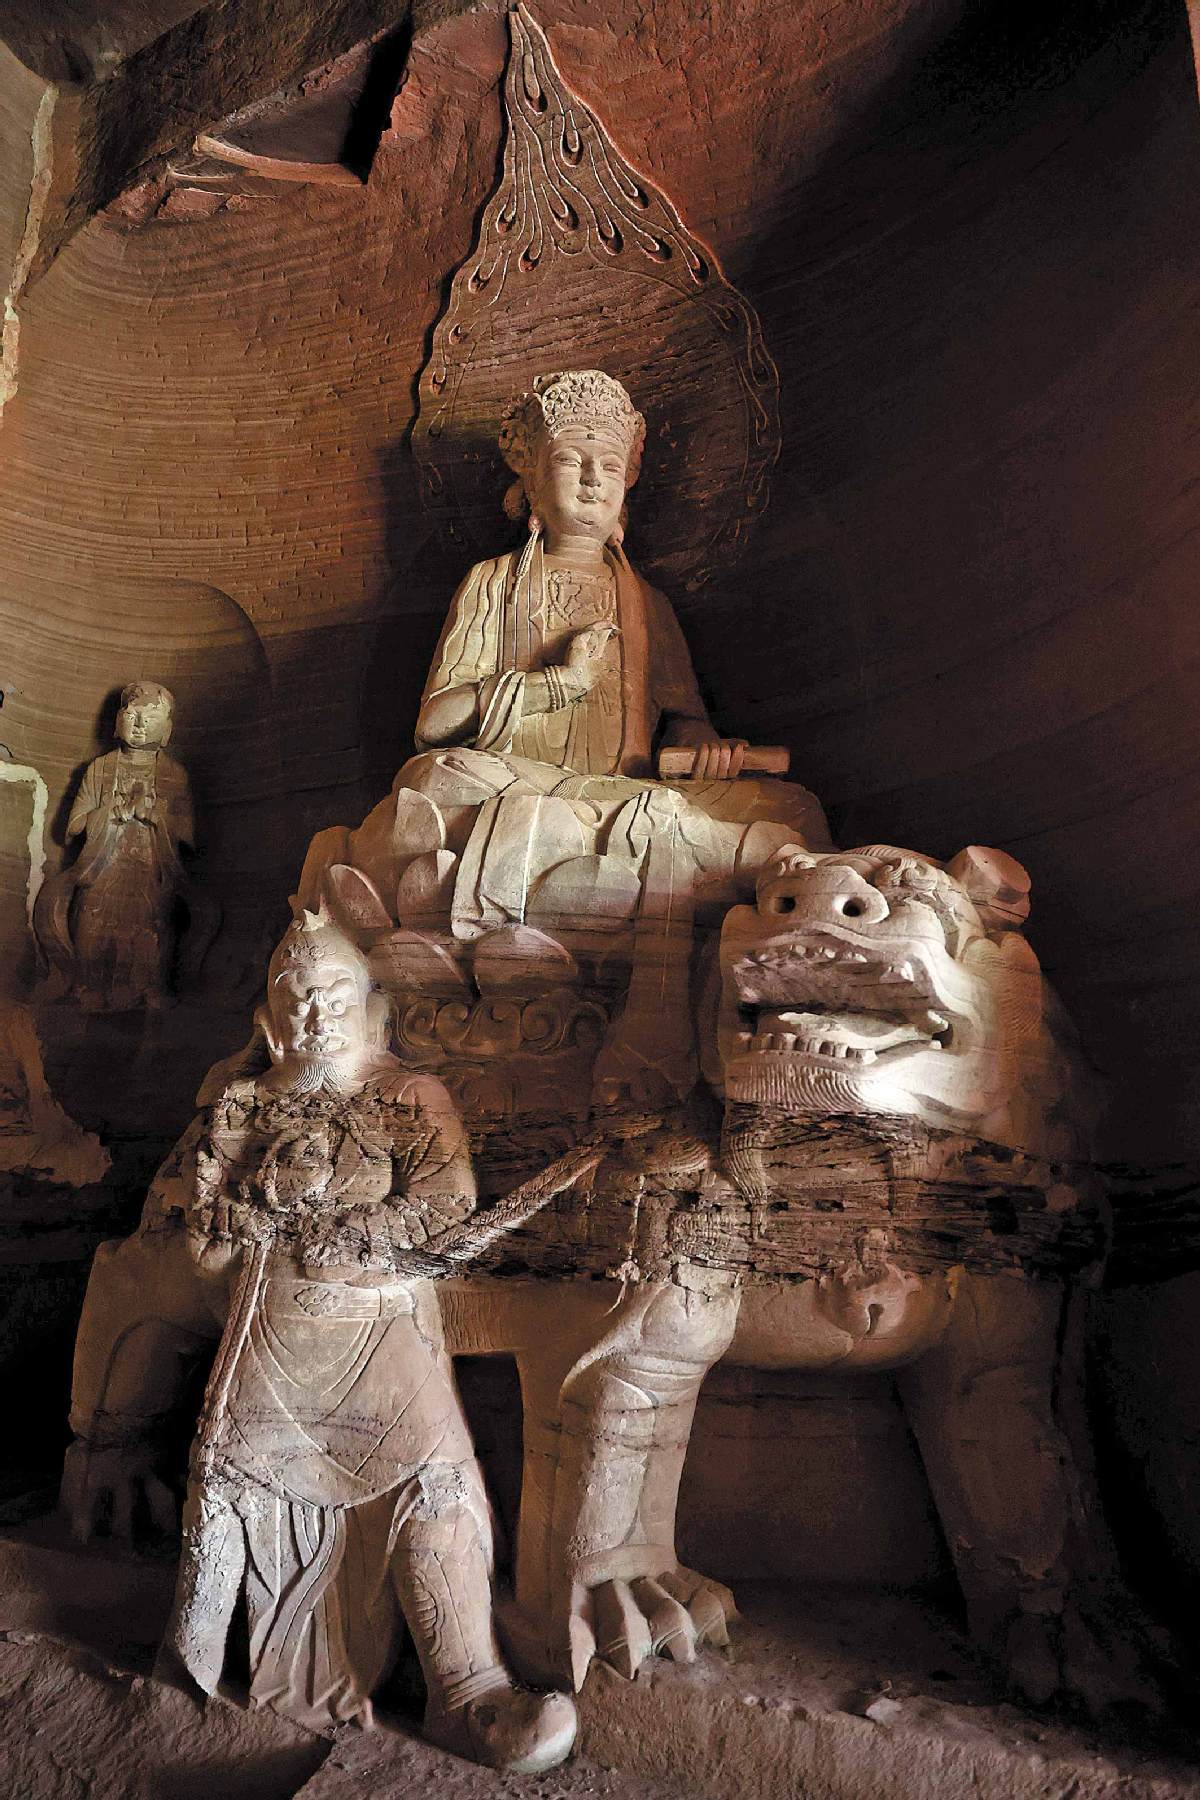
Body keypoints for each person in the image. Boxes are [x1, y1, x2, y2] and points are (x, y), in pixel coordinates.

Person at [62, 907, 582, 1772]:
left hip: (381, 1335)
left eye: (333, 994)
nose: (314, 1014)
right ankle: (194, 1664)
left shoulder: (411, 1096)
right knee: (234, 1499)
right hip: (267, 1335)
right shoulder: (243, 1102)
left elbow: (446, 1203)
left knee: (436, 1486)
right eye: (294, 997)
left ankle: (468, 1688)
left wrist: (349, 1238)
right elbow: (204, 1230)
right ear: (269, 1018)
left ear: (373, 1009)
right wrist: (242, 1228)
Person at [35, 680, 194, 1009]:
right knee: (92, 921)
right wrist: (112, 812)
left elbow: (187, 836)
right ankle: (89, 985)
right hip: (102, 867)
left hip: (151, 869)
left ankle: (149, 986)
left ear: (167, 730)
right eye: (133, 716)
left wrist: (154, 815)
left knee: (154, 924)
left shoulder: (174, 775)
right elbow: (73, 827)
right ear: (117, 721)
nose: (140, 726)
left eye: (151, 719)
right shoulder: (100, 769)